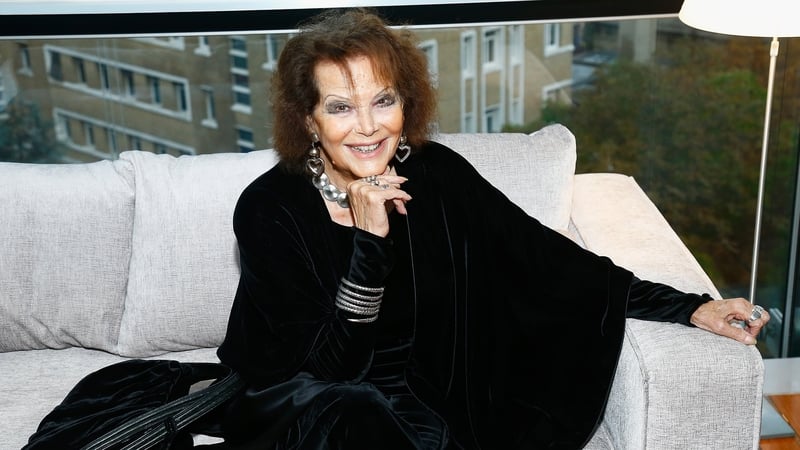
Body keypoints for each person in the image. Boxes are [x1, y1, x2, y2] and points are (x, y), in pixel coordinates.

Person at [216, 8, 769, 449]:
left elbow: (544, 257)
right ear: (307, 119)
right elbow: (330, 369)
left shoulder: (434, 173)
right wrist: (369, 244)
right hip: (306, 402)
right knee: (356, 412)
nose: (367, 127)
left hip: (420, 399)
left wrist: (688, 307)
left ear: (405, 102)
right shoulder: (269, 209)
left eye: (383, 100)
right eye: (340, 107)